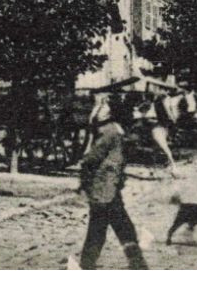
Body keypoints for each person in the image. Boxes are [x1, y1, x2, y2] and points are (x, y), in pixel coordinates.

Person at [75, 100, 147, 270]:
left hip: (110, 190)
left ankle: (88, 264)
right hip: (103, 190)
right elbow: (90, 160)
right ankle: (137, 266)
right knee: (115, 229)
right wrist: (85, 184)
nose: (133, 121)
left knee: (103, 229)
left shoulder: (118, 133)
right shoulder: (110, 133)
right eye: (130, 117)